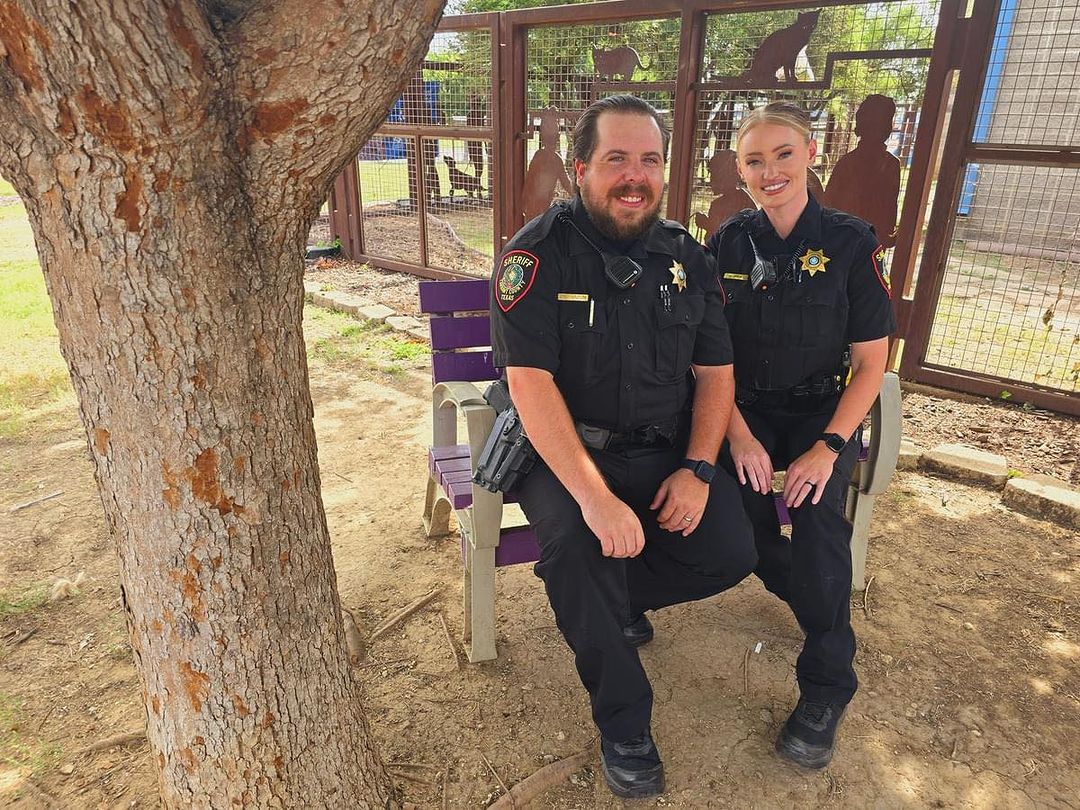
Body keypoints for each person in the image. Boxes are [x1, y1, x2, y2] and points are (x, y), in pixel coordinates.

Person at [490, 95, 757, 799]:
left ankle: (601, 601)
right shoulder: (536, 256)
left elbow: (716, 374)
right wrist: (596, 500)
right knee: (580, 547)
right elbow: (530, 387)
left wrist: (699, 468)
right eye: (616, 160)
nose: (633, 177)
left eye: (648, 160)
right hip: (564, 451)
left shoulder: (687, 258)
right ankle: (625, 724)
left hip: (662, 444)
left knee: (731, 550)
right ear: (581, 169)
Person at [706, 101, 895, 769]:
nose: (770, 170)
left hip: (821, 415)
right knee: (743, 534)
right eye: (755, 160)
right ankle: (817, 597)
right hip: (745, 413)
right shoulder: (728, 242)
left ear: (811, 153)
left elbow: (872, 363)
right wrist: (737, 436)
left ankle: (826, 688)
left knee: (818, 530)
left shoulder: (849, 242)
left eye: (783, 154)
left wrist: (828, 447)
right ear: (739, 168)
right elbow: (711, 357)